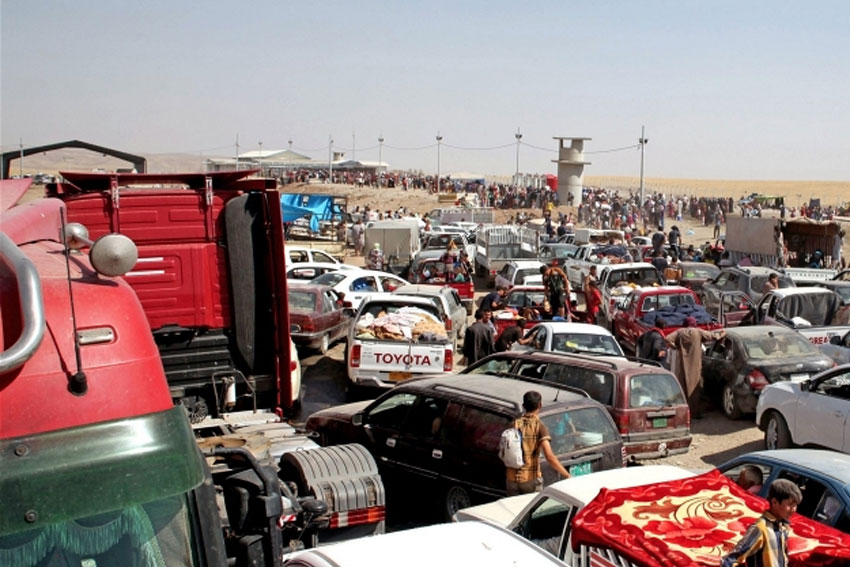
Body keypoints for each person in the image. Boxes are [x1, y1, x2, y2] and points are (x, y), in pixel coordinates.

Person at [721, 479, 802, 567]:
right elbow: (730, 560)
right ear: (774, 502)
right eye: (790, 505)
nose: (794, 509)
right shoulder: (760, 528)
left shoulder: (783, 526)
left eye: (795, 505)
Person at [506, 391, 571, 496]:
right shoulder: (539, 426)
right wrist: (567, 475)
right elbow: (549, 457)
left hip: (511, 480)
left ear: (523, 406)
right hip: (530, 480)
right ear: (540, 405)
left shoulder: (513, 424)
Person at [665, 317, 725, 418]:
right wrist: (722, 333)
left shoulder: (679, 332)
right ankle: (694, 412)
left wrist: (675, 346)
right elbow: (712, 336)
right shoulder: (698, 332)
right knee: (695, 388)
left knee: (682, 387)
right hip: (695, 365)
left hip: (682, 365)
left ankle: (683, 412)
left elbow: (667, 339)